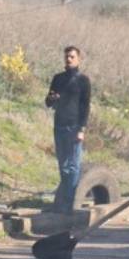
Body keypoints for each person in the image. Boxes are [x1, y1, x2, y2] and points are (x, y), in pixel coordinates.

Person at [45, 46, 91, 214]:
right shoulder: (58, 78)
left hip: (74, 126)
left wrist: (82, 129)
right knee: (62, 166)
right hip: (59, 126)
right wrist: (52, 98)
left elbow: (85, 106)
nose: (69, 59)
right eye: (66, 57)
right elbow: (48, 103)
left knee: (72, 166)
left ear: (78, 59)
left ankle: (69, 205)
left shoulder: (83, 80)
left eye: (72, 57)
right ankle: (63, 203)